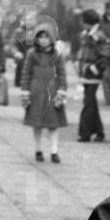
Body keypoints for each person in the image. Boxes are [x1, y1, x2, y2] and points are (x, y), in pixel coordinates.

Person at [20, 23, 67, 163]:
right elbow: (26, 73)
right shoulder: (32, 54)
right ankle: (38, 149)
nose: (43, 40)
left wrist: (62, 88)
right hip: (36, 91)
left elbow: (62, 73)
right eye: (40, 37)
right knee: (37, 123)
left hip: (52, 90)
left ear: (51, 38)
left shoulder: (56, 54)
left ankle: (54, 151)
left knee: (54, 123)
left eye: (46, 37)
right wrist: (25, 89)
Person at [76, 8, 108, 143]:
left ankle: (85, 133)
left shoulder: (98, 36)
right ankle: (99, 131)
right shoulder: (86, 34)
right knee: (91, 102)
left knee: (88, 103)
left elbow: (105, 55)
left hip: (93, 72)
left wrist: (95, 67)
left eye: (84, 21)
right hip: (85, 72)